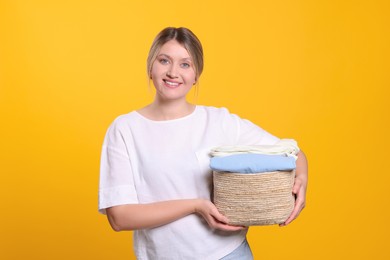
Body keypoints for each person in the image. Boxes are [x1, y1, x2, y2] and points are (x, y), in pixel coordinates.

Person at [98, 27, 308, 259]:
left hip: (228, 253)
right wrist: (195, 206)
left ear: (196, 74)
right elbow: (119, 217)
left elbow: (293, 153)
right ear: (151, 67)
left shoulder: (220, 121)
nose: (173, 72)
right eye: (164, 60)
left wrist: (302, 180)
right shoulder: (125, 129)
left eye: (185, 64)